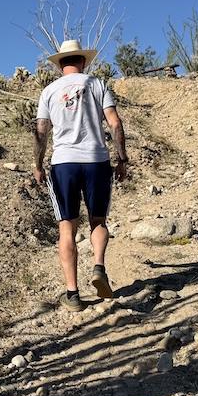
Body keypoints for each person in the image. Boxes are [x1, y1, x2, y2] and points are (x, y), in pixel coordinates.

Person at [33, 39, 128, 311]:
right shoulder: (96, 84)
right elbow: (115, 123)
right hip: (96, 161)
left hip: (64, 164)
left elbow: (41, 131)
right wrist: (122, 159)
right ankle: (98, 266)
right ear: (83, 61)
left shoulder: (49, 91)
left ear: (60, 64)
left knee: (67, 227)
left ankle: (73, 294)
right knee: (98, 220)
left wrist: (38, 165)